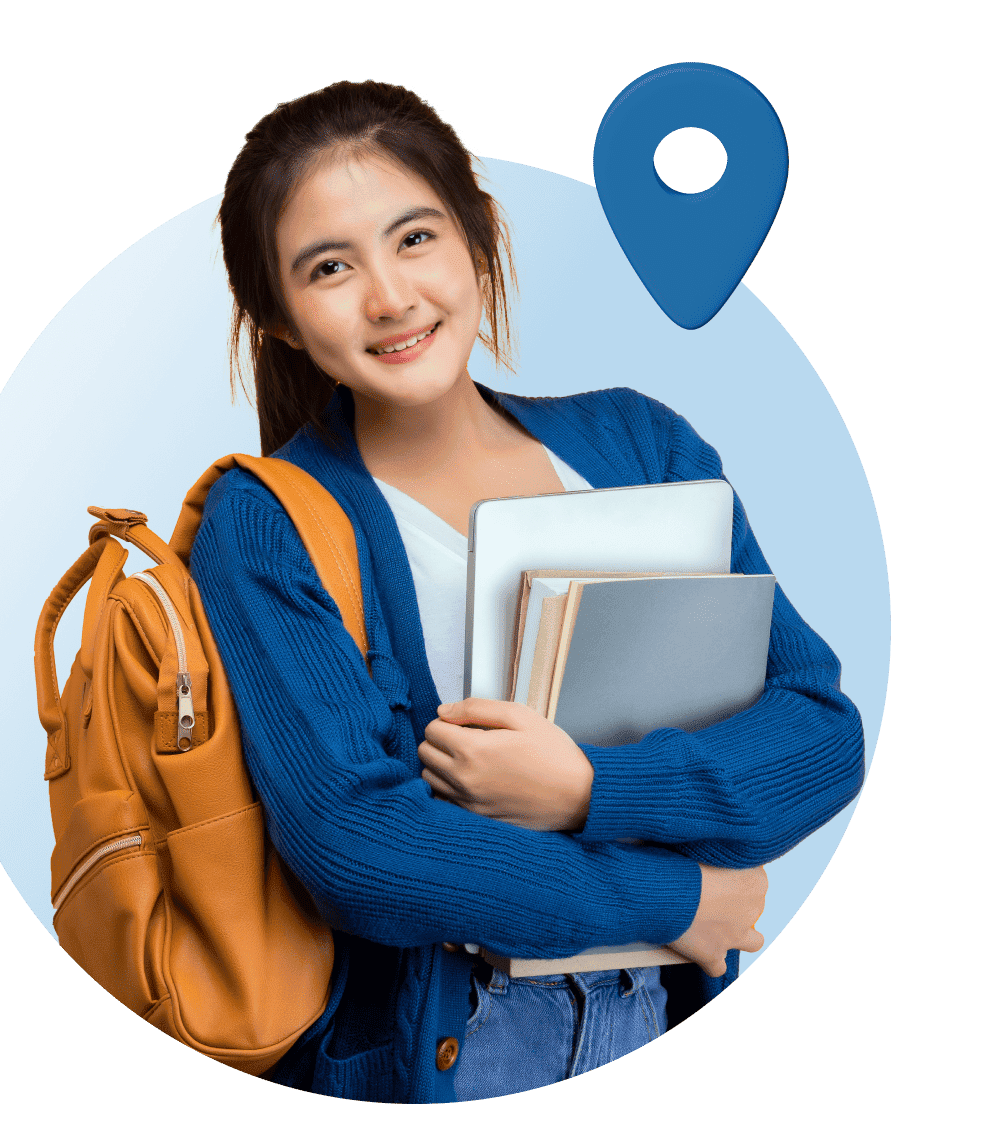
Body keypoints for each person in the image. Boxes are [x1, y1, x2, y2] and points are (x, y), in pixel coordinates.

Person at [189, 79, 864, 1103]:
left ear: (476, 239)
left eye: (413, 238)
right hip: (459, 1045)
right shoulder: (266, 519)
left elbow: (814, 733)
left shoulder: (639, 442)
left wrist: (588, 786)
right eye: (329, 267)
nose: (387, 295)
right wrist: (675, 891)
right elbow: (359, 846)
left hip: (665, 1012)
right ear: (277, 317)